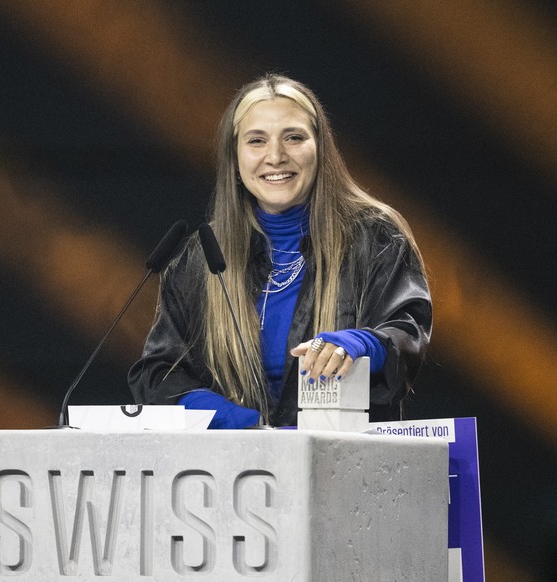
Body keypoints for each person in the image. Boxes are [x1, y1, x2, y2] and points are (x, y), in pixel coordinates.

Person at [128, 74, 432, 428]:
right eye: (257, 141)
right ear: (235, 159)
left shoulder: (375, 237)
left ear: (321, 148)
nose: (276, 156)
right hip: (232, 471)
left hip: (341, 469)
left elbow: (408, 332)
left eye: (294, 137)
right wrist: (223, 418)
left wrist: (362, 344)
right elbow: (159, 372)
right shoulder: (200, 258)